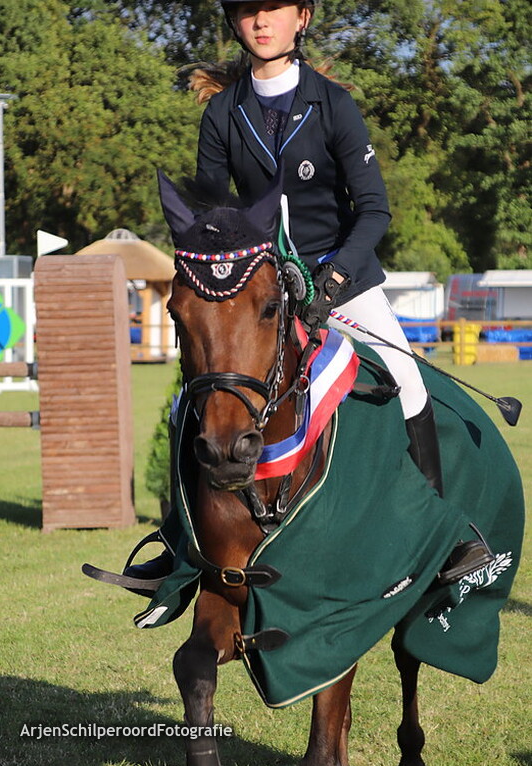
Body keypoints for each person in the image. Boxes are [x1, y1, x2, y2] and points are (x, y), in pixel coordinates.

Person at [125, 0, 493, 587]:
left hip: (338, 278)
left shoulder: (333, 104)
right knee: (190, 403)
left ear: (301, 18)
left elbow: (374, 209)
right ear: (236, 25)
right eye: (249, 12)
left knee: (408, 378)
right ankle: (179, 539)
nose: (260, 21)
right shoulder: (222, 113)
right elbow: (214, 213)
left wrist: (336, 278)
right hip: (259, 286)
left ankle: (443, 535)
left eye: (273, 9)